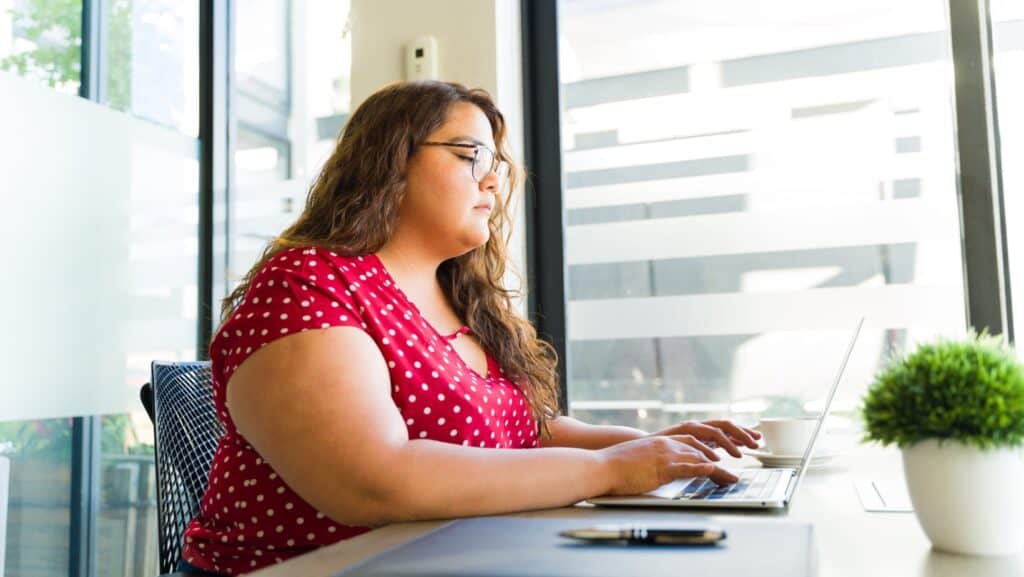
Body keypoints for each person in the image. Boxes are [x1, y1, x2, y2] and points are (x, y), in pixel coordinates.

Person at [177, 80, 761, 576]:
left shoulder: (457, 296)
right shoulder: (308, 283)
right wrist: (610, 469)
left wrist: (655, 449)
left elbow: (524, 434)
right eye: (469, 155)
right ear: (388, 159)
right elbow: (370, 482)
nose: (492, 183)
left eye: (496, 165)